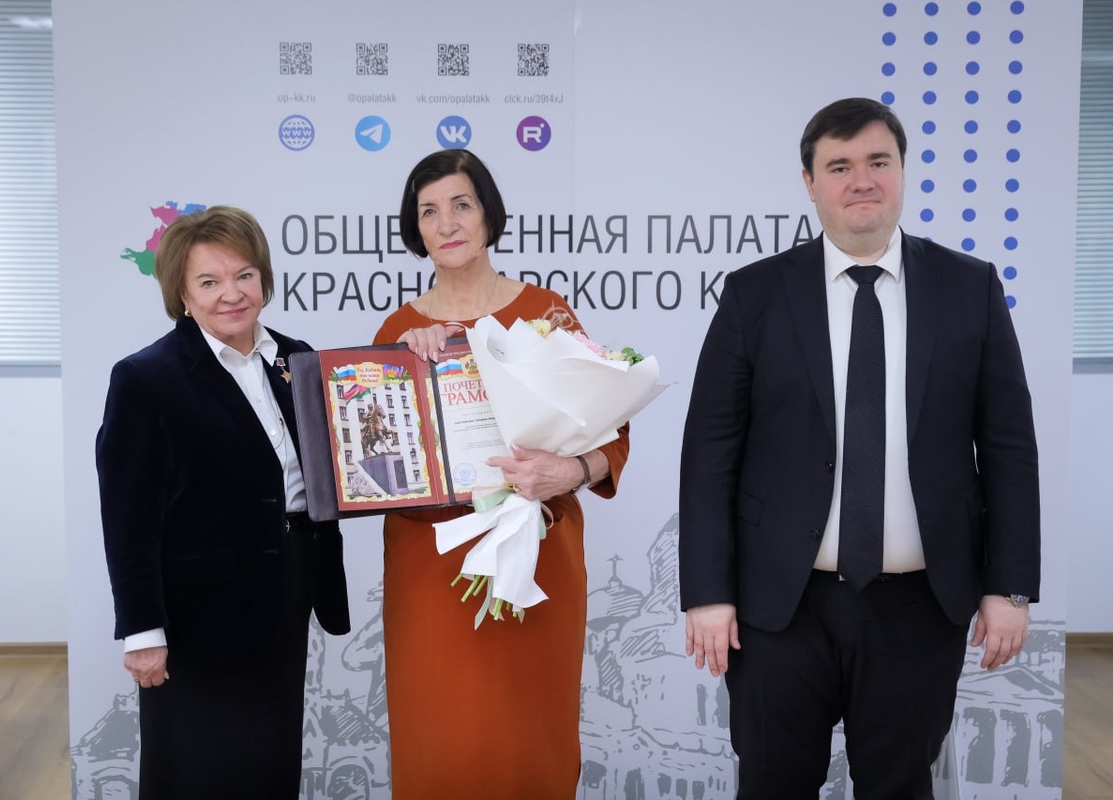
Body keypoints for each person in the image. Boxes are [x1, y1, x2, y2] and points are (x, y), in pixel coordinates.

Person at [678, 98, 1040, 798]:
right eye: (839, 166)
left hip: (920, 607)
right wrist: (708, 593)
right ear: (810, 183)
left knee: (899, 787)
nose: (862, 180)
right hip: (778, 607)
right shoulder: (755, 294)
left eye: (878, 161)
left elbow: (1009, 449)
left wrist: (1010, 585)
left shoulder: (970, 287)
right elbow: (709, 453)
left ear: (903, 171)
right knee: (773, 786)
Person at [372, 148, 631, 799]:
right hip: (432, 573)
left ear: (488, 214)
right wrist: (402, 371)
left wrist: (569, 470)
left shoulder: (547, 314)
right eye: (428, 211)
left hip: (537, 564)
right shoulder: (398, 330)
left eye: (461, 204)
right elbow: (375, 465)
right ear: (415, 228)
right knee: (440, 741)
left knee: (529, 743)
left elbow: (611, 434)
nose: (446, 223)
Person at [95, 205, 350, 798]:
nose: (231, 294)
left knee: (268, 764)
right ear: (182, 295)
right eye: (208, 281)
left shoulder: (297, 359)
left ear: (263, 278)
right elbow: (128, 520)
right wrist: (142, 631)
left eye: (244, 275)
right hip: (197, 618)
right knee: (197, 769)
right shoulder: (145, 379)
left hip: (286, 591)